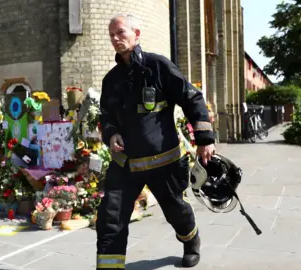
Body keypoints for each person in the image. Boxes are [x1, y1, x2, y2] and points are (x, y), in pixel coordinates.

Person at [96, 13, 216, 269]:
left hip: (165, 163)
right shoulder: (111, 80)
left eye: (121, 32)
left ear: (136, 34)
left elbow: (192, 98)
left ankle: (191, 240)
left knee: (177, 212)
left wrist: (204, 139)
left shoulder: (158, 66)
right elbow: (106, 115)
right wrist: (111, 133)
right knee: (110, 219)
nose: (116, 38)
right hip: (125, 165)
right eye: (112, 35)